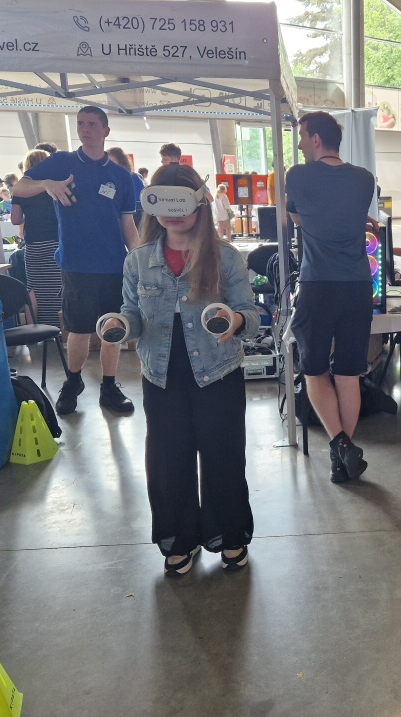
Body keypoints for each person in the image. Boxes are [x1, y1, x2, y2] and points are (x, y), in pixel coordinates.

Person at [105, 163, 259, 576]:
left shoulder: (225, 258)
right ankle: (178, 538)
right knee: (168, 459)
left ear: (199, 205)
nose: (172, 214)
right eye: (162, 203)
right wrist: (121, 325)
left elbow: (251, 316)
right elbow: (131, 312)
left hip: (218, 371)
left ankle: (230, 535)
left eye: (180, 203)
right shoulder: (138, 261)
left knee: (224, 455)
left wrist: (234, 320)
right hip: (161, 373)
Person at [13, 105, 138, 416]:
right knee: (78, 329)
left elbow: (127, 223)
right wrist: (46, 184)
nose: (85, 129)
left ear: (106, 131)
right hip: (76, 264)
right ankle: (73, 382)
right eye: (81, 123)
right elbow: (18, 187)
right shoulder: (61, 163)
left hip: (113, 265)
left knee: (112, 328)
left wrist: (139, 259)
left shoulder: (121, 176)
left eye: (92, 124)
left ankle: (109, 387)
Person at [286, 111, 377, 483]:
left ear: (316, 138)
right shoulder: (364, 179)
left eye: (302, 137)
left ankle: (340, 444)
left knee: (314, 369)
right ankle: (342, 459)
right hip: (357, 285)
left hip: (318, 284)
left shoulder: (298, 176)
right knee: (349, 373)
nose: (299, 145)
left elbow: (296, 220)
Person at [10, 148, 61, 325]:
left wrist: (29, 216)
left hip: (34, 245)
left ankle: (35, 331)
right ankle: (61, 328)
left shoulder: (21, 190)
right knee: (60, 286)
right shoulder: (55, 185)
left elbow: (15, 219)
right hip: (57, 242)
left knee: (34, 289)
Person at [107, 147, 145, 229]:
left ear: (122, 164)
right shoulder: (107, 180)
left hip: (132, 218)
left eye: (112, 164)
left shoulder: (134, 178)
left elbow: (136, 201)